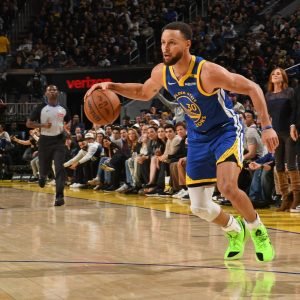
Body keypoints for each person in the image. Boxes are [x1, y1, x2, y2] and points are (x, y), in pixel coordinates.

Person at [85, 22, 279, 262]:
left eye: (172, 43)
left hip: (225, 131)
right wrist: (111, 86)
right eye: (163, 43)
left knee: (227, 186)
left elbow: (253, 87)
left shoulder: (207, 72)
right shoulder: (162, 72)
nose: (165, 48)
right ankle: (233, 228)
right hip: (197, 137)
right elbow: (144, 92)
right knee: (199, 207)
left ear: (187, 44)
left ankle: (257, 230)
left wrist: (267, 126)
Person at [26, 85, 70, 206]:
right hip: (45, 141)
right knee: (44, 167)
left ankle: (59, 197)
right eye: (50, 90)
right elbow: (29, 123)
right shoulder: (40, 107)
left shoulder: (63, 108)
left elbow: (68, 121)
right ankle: (42, 176)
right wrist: (43, 126)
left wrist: (65, 129)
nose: (52, 91)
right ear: (46, 93)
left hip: (59, 141)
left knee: (59, 167)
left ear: (58, 92)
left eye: (55, 89)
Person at [265, 68, 299, 212]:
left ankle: (297, 196)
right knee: (278, 165)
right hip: (275, 133)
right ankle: (286, 197)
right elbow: (267, 117)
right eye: (273, 74)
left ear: (284, 77)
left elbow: (295, 111)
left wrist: (295, 126)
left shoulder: (290, 92)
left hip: (290, 132)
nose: (275, 75)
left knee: (291, 164)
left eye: (278, 73)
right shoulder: (268, 95)